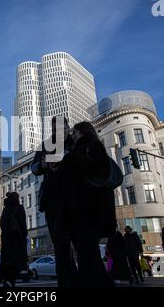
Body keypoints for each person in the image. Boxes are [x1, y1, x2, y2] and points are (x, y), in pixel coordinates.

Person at [59, 121, 114, 287]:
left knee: (87, 252)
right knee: (87, 253)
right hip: (80, 209)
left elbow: (101, 171)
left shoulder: (93, 146)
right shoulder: (76, 150)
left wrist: (72, 159)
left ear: (83, 132)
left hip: (89, 209)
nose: (72, 135)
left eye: (74, 132)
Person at [31, 116, 77, 287]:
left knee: (81, 242)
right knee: (60, 246)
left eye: (61, 126)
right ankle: (66, 282)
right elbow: (34, 168)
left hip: (76, 197)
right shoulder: (45, 144)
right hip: (53, 199)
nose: (58, 130)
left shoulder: (75, 140)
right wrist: (44, 165)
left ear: (67, 126)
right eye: (54, 127)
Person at [0, 192, 28, 287]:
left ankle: (7, 281)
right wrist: (23, 234)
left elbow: (2, 224)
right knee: (15, 262)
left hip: (6, 239)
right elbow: (22, 224)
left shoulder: (5, 209)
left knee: (7, 262)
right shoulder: (19, 208)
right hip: (16, 239)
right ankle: (11, 281)